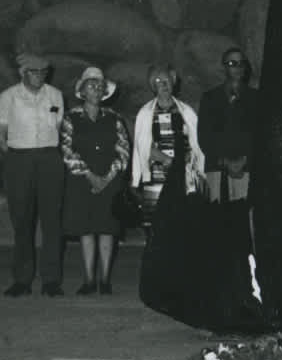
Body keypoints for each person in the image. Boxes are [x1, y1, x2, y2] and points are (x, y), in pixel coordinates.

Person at [0, 52, 65, 297]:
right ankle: (22, 280)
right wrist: (17, 157)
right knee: (22, 220)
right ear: (23, 73)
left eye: (43, 72)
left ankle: (51, 280)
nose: (39, 77)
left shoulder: (55, 95)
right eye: (34, 72)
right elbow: (1, 134)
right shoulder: (8, 96)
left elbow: (58, 127)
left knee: (52, 222)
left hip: (49, 158)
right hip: (20, 158)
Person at [60, 67, 131, 295]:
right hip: (82, 181)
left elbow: (123, 151)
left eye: (100, 86)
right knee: (87, 229)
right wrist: (91, 176)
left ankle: (105, 280)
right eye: (91, 84)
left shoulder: (115, 119)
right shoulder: (70, 118)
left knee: (107, 228)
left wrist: (107, 177)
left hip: (110, 181)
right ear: (81, 90)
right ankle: (89, 280)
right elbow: (66, 150)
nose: (96, 88)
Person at [131, 64, 203, 235]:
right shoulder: (145, 113)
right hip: (156, 176)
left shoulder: (187, 112)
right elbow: (142, 147)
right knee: (155, 225)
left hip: (184, 175)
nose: (163, 84)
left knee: (182, 224)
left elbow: (197, 144)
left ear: (173, 81)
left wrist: (190, 165)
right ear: (152, 86)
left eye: (166, 80)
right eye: (158, 81)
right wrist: (166, 160)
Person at [197, 46, 253, 204]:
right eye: (232, 63)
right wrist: (225, 161)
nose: (237, 67)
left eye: (241, 63)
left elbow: (261, 135)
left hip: (247, 170)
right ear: (224, 67)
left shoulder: (256, 98)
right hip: (217, 168)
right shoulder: (209, 98)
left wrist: (245, 161)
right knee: (218, 222)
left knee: (245, 222)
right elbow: (204, 137)